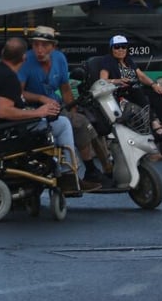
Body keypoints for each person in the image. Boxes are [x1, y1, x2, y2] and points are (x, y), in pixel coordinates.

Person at [0, 37, 99, 191]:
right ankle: (68, 176)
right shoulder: (10, 78)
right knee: (63, 124)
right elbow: (4, 111)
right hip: (7, 131)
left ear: (4, 53)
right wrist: (38, 112)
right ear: (24, 57)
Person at [18, 26, 112, 185]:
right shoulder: (26, 61)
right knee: (80, 123)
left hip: (56, 104)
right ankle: (88, 169)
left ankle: (105, 168)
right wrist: (40, 98)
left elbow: (65, 89)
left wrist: (73, 111)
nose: (40, 50)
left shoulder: (59, 58)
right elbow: (18, 92)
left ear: (53, 46)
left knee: (88, 120)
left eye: (45, 45)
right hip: (33, 109)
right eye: (36, 45)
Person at [96, 34, 162, 138]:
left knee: (160, 92)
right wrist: (117, 81)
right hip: (120, 92)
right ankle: (153, 123)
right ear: (111, 49)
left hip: (135, 89)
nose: (121, 49)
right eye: (117, 47)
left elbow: (141, 76)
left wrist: (154, 85)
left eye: (123, 46)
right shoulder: (107, 61)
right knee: (138, 92)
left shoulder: (128, 60)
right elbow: (103, 80)